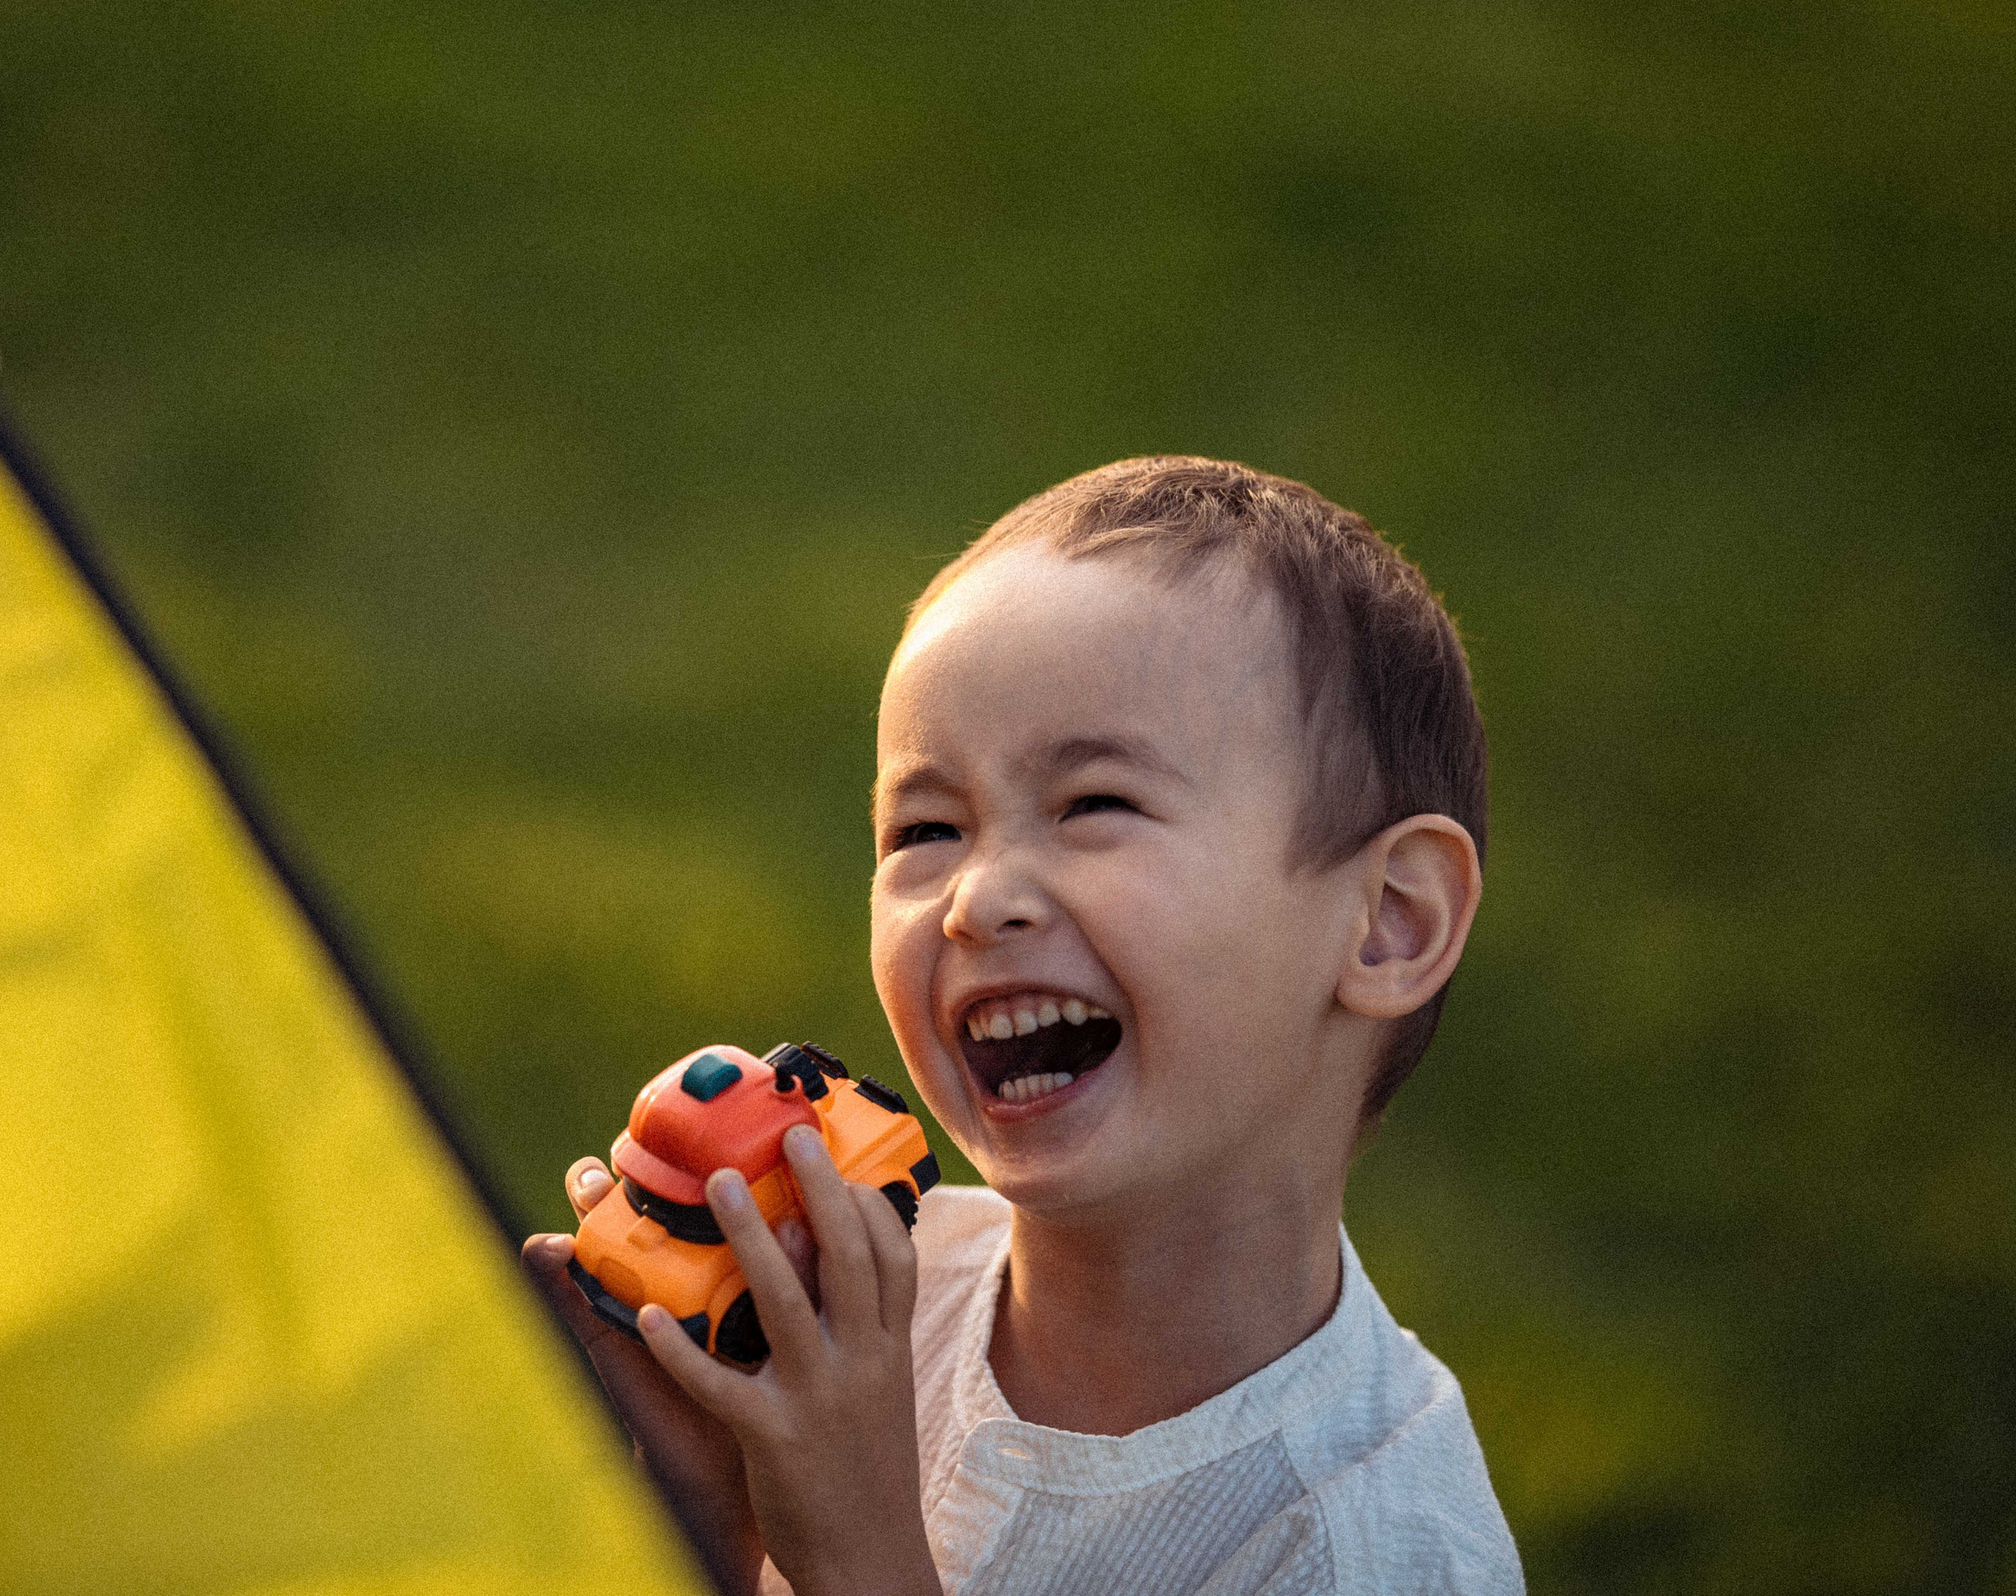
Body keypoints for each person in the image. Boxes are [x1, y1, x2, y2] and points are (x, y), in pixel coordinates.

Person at [525, 457, 1522, 1595]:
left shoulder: (1372, 1549)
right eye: (924, 829)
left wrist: (861, 1557)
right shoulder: (866, 1304)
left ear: (1387, 923)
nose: (975, 895)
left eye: (1094, 804)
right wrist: (704, 1515)